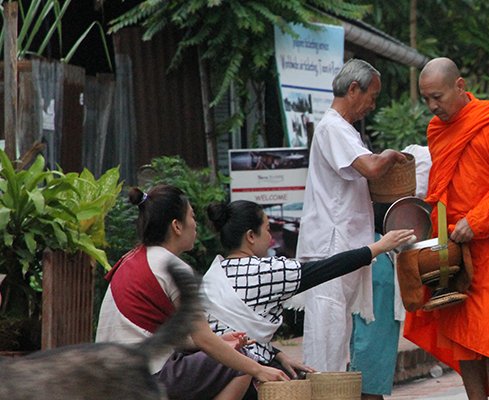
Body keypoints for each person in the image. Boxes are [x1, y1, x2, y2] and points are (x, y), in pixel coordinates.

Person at [405, 57, 489, 400]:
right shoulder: (437, 129)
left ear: (460, 87)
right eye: (427, 99)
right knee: (463, 330)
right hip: (455, 245)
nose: (433, 107)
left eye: (438, 97)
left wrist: (476, 221)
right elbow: (440, 188)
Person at [201, 200, 413, 398]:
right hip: (243, 376)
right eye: (267, 229)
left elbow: (231, 334)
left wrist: (278, 355)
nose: (272, 237)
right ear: (250, 236)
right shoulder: (265, 272)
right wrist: (378, 247)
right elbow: (327, 269)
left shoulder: (212, 274)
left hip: (211, 372)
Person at [97, 185, 289, 400]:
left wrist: (217, 341)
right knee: (243, 361)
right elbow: (204, 339)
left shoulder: (131, 259)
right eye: (192, 216)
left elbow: (163, 335)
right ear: (177, 226)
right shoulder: (174, 268)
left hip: (111, 376)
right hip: (146, 377)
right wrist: (258, 369)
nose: (195, 224)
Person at [292, 59, 407, 373]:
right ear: (353, 89)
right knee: (327, 335)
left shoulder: (344, 130)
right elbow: (370, 168)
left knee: (337, 336)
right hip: (332, 246)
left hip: (344, 245)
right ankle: (322, 392)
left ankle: (332, 390)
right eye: (372, 95)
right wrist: (389, 156)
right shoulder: (333, 126)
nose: (372, 104)